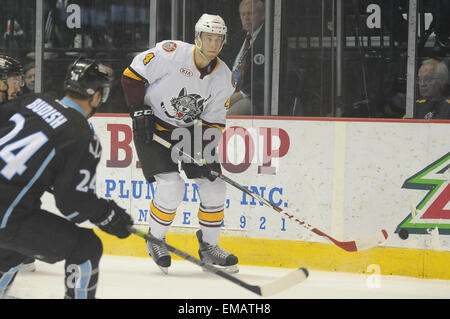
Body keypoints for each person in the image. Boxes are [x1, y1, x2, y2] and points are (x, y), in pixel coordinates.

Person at [0, 57, 134, 299]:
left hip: (10, 211)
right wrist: (108, 215)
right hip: (6, 215)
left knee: (14, 248)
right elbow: (72, 204)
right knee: (86, 246)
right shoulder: (81, 135)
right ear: (96, 96)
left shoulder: (34, 100)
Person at [121, 13, 238, 274]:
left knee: (214, 184)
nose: (213, 44)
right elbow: (132, 76)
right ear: (197, 37)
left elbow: (214, 121)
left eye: (219, 39)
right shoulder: (170, 53)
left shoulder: (224, 78)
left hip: (189, 131)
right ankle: (155, 239)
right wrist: (138, 110)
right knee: (171, 186)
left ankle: (209, 247)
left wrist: (206, 154)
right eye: (209, 38)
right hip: (153, 127)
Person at [221, 0, 266, 115]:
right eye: (243, 14)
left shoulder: (268, 40)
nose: (246, 18)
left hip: (254, 98)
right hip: (231, 92)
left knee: (226, 116)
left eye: (251, 14)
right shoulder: (238, 38)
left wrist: (241, 94)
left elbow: (264, 79)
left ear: (262, 15)